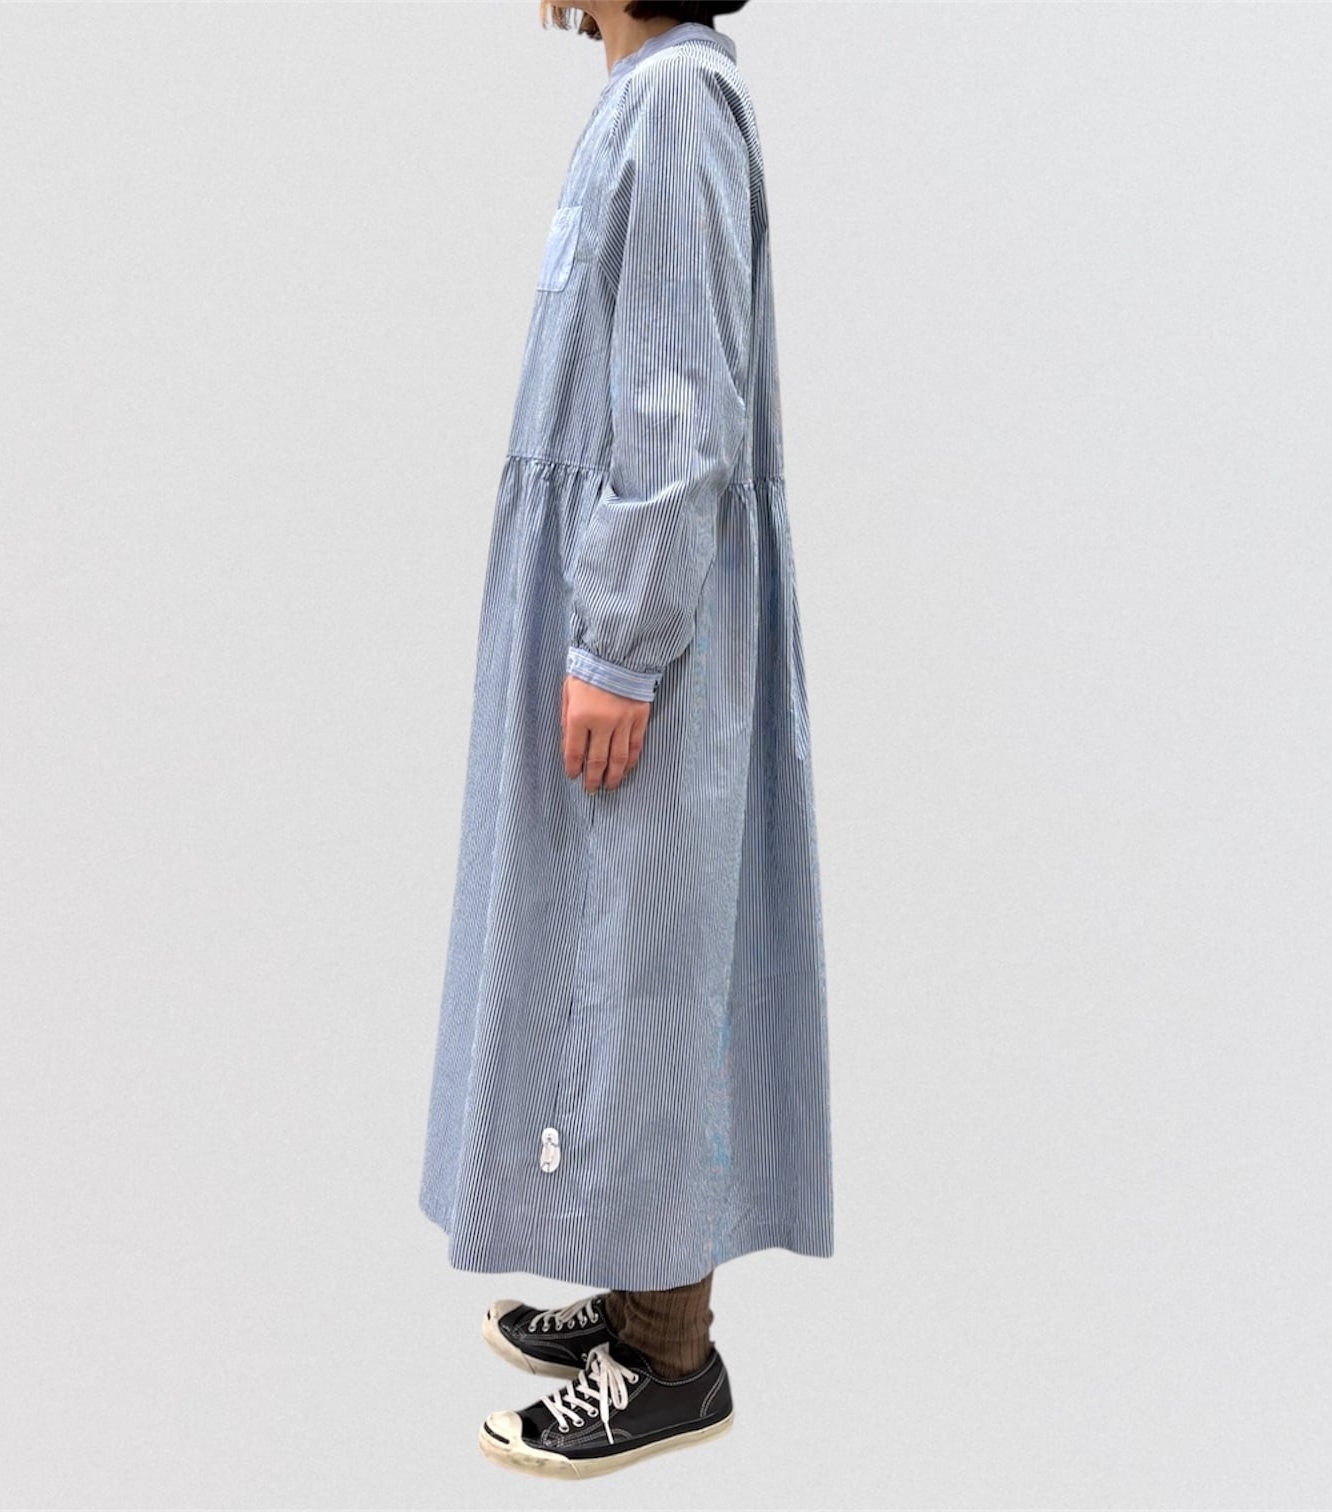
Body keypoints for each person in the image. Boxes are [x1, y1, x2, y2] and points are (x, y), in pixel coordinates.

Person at [417, 0, 834, 1477]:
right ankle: (641, 1287)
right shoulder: (646, 98)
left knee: (651, 969)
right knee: (609, 954)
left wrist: (619, 639)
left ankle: (672, 1360)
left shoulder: (677, 106)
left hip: (644, 613)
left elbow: (677, 400)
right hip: (609, 592)